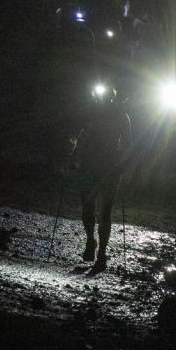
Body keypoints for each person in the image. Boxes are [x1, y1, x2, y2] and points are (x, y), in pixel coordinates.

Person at [68, 83, 133, 273]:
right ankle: (91, 241)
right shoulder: (92, 114)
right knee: (88, 208)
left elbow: (128, 144)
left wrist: (122, 163)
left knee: (105, 211)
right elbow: (82, 138)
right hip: (91, 166)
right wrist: (74, 158)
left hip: (108, 167)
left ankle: (102, 252)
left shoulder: (121, 116)